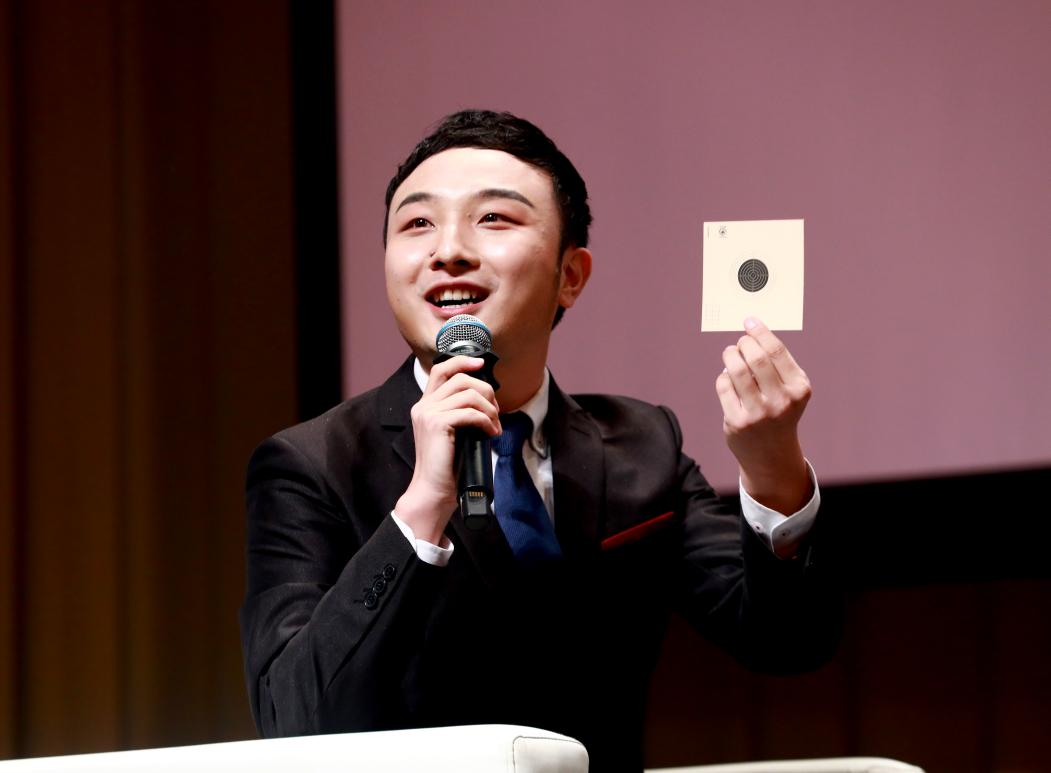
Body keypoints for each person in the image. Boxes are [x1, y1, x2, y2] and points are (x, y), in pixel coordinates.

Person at [239, 110, 840, 772]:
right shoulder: (312, 465)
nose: (448, 250)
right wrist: (420, 511)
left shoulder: (643, 445)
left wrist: (773, 466)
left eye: (493, 218)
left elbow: (787, 642)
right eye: (417, 224)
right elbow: (292, 717)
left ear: (570, 276)